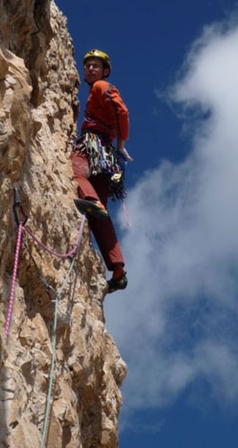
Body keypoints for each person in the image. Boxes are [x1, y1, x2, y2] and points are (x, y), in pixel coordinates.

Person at [71, 49, 133, 293]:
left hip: (94, 146)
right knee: (101, 217)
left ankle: (90, 199)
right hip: (106, 157)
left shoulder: (100, 87)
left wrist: (121, 144)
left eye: (96, 65)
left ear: (105, 70)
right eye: (87, 66)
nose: (90, 69)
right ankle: (118, 271)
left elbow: (122, 111)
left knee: (76, 171)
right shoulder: (95, 90)